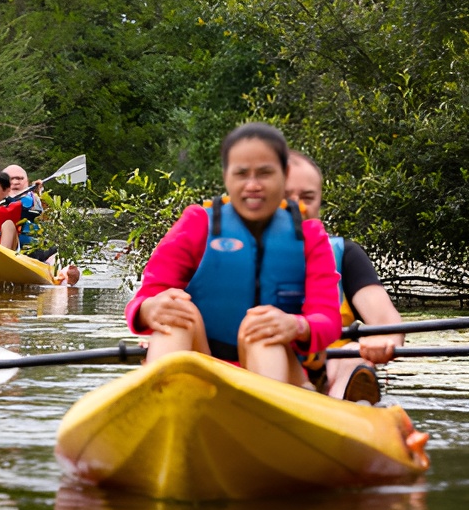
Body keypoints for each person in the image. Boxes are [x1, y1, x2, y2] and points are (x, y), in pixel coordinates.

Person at [126, 123, 342, 386]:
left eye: (264, 173)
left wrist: (296, 326)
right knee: (176, 312)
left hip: (280, 371)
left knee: (262, 329)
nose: (252, 185)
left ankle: (268, 412)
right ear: (226, 176)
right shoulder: (197, 224)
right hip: (203, 366)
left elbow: (328, 320)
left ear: (284, 174)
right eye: (241, 174)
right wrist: (148, 310)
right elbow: (145, 297)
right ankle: (163, 401)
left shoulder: (310, 237)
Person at [285, 151, 402, 403]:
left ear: (319, 202)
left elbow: (388, 323)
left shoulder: (345, 255)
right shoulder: (233, 254)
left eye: (308, 197)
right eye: (286, 197)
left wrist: (380, 343)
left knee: (352, 353)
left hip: (333, 371)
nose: (299, 206)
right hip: (266, 368)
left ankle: (341, 409)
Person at [0, 166, 80, 285]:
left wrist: (41, 194)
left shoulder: (36, 199)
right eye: (11, 179)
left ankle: (63, 273)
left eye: (19, 178)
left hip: (33, 249)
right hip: (3, 247)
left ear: (27, 182)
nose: (15, 182)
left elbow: (50, 220)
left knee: (56, 251)